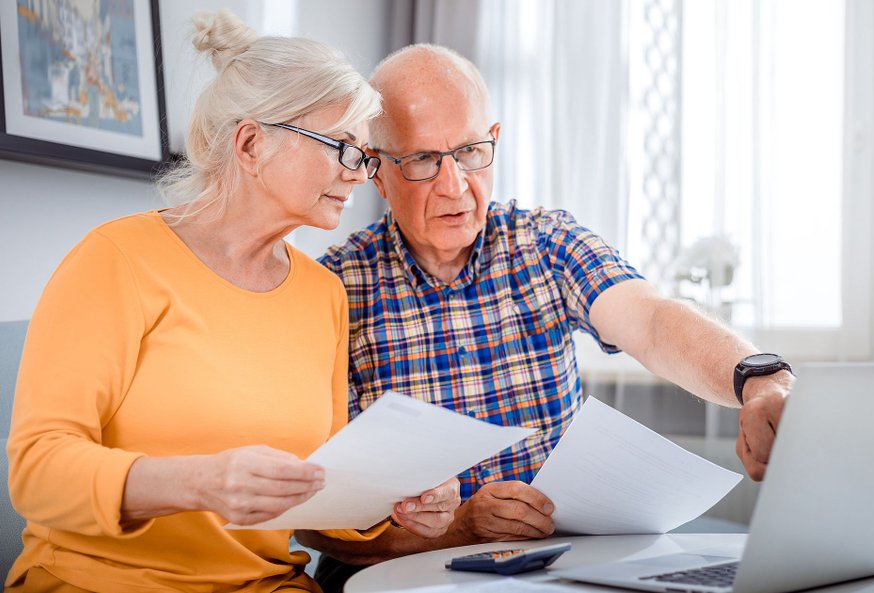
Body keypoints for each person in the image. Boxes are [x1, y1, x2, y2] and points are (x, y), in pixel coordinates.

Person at [296, 43, 795, 593]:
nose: (455, 185)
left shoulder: (545, 243)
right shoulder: (335, 288)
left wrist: (757, 375)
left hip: (558, 569)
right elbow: (312, 518)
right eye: (421, 160)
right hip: (403, 580)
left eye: (469, 151)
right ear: (376, 171)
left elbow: (651, 320)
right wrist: (456, 531)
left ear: (495, 140)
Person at [5, 15, 458, 593]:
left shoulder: (322, 294)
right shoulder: (117, 259)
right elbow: (37, 473)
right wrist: (198, 482)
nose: (360, 175)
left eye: (366, 157)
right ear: (250, 143)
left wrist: (396, 504)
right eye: (343, 148)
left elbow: (319, 490)